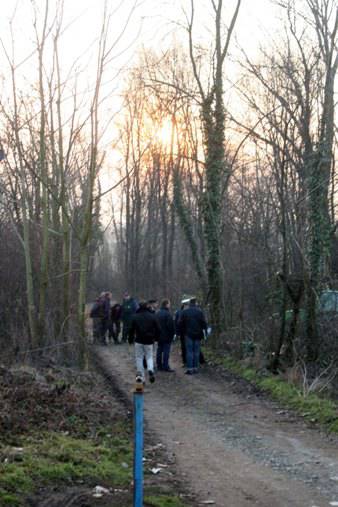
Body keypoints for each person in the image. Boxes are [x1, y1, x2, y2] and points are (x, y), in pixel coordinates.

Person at [129, 300, 160, 384]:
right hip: (149, 341)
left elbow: (131, 329)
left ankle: (142, 377)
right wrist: (156, 338)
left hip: (138, 340)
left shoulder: (135, 316)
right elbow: (158, 328)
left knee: (139, 358)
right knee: (149, 357)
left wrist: (130, 339)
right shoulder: (152, 316)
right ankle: (150, 369)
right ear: (147, 306)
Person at [179, 297, 207, 374]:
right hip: (198, 334)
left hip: (188, 334)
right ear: (195, 303)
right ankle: (195, 368)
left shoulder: (185, 312)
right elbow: (204, 323)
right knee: (196, 351)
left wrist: (183, 331)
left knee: (189, 351)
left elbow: (180, 323)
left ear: (189, 303)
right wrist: (204, 332)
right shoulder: (200, 312)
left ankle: (190, 368)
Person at [156, 299, 175, 372]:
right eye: (169, 304)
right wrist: (173, 334)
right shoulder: (168, 314)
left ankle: (159, 365)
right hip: (167, 336)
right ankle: (165, 366)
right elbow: (170, 326)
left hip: (159, 335)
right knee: (166, 351)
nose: (170, 305)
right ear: (166, 304)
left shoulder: (157, 313)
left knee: (159, 350)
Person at [175, 300, 189, 366]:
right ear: (183, 305)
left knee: (188, 347)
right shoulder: (179, 312)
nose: (187, 306)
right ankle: (184, 361)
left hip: (188, 333)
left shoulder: (188, 312)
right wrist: (177, 333)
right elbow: (176, 324)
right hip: (183, 333)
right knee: (183, 347)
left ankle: (189, 361)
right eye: (186, 305)